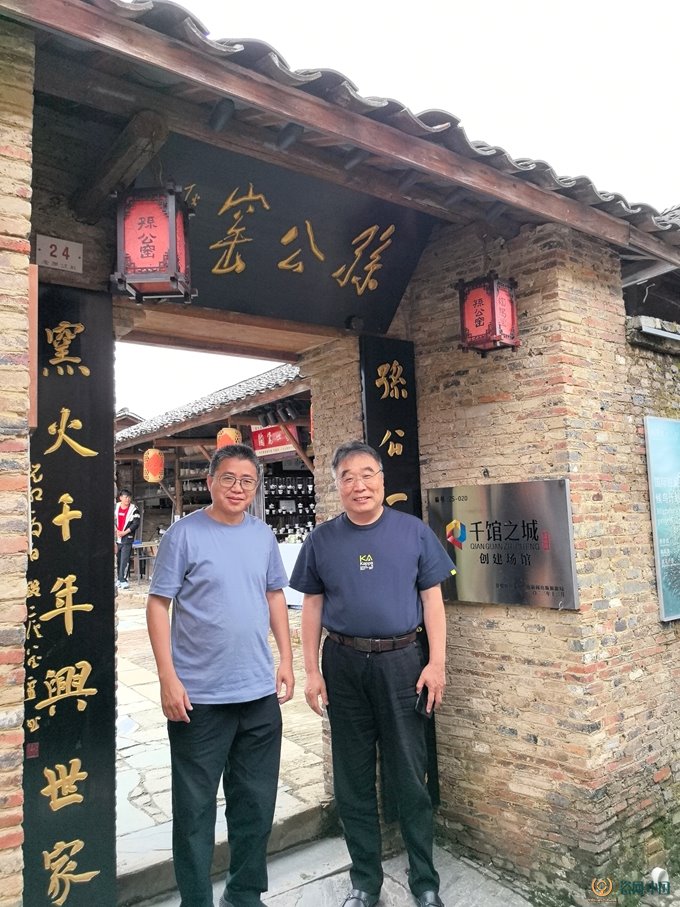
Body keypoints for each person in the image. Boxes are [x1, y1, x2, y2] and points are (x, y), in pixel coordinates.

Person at [289, 441, 455, 907]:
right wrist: (311, 671)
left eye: (367, 474)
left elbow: (433, 601)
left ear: (382, 479)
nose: (358, 485)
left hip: (403, 663)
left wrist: (437, 663)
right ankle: (365, 881)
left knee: (410, 775)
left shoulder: (413, 531)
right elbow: (311, 608)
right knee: (353, 779)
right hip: (342, 664)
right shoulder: (321, 540)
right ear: (337, 485)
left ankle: (424, 881)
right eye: (348, 476)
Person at [146, 444, 294, 907]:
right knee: (194, 811)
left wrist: (286, 659)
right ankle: (196, 901)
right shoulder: (183, 535)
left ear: (256, 487)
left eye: (247, 480)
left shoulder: (262, 536)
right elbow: (157, 604)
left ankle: (244, 893)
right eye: (228, 478)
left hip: (257, 692)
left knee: (255, 803)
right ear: (210, 481)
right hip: (199, 698)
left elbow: (274, 595)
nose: (237, 488)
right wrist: (167, 677)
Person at [115, 488, 140, 589]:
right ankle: (118, 579)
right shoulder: (115, 507)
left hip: (127, 537)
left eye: (129, 497)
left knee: (125, 560)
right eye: (125, 497)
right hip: (116, 537)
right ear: (120, 498)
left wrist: (124, 532)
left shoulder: (134, 509)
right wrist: (116, 531)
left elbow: (136, 524)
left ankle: (123, 580)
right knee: (117, 560)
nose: (127, 499)